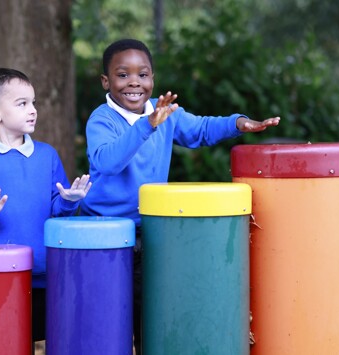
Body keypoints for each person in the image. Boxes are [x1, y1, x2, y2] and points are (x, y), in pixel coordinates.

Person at [80, 38, 280, 354]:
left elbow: (200, 129)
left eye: (143, 75)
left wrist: (239, 123)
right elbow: (107, 162)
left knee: (151, 316)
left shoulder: (165, 113)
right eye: (123, 74)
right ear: (106, 81)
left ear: (153, 79)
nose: (134, 82)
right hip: (105, 235)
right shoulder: (102, 119)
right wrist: (147, 125)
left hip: (151, 231)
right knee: (111, 320)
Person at [0, 68, 91, 351]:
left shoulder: (47, 155)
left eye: (33, 102)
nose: (32, 110)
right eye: (22, 103)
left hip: (45, 273)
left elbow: (57, 209)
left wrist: (69, 200)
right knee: (8, 344)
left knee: (58, 339)